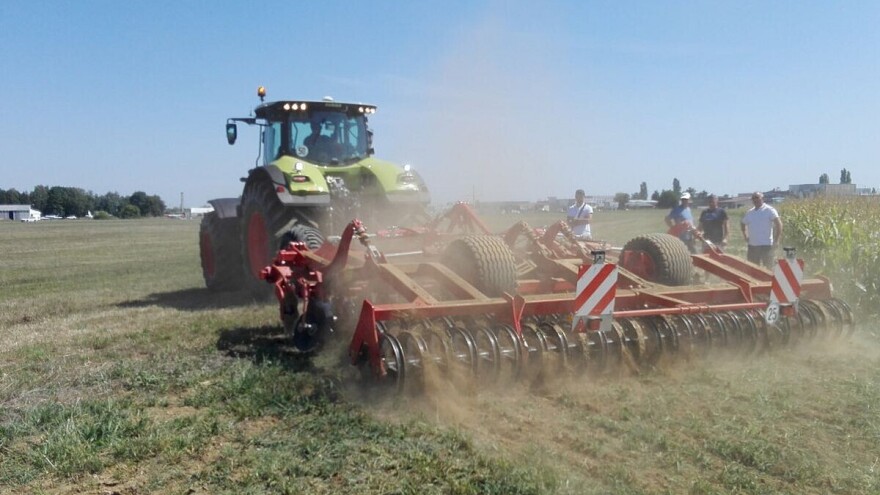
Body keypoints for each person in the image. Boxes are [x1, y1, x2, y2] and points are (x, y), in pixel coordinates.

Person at [740, 191, 783, 268]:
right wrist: (745, 235)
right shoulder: (750, 212)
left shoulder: (769, 210)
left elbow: (779, 224)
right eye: (753, 198)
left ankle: (769, 280)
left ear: (762, 198)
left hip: (766, 245)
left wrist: (777, 240)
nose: (755, 200)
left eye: (757, 198)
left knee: (769, 267)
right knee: (752, 268)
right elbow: (743, 223)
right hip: (753, 245)